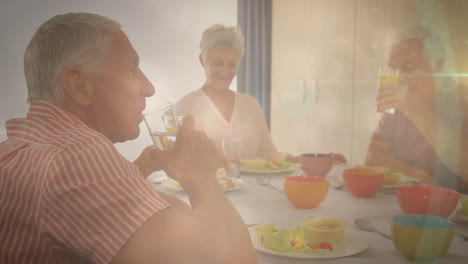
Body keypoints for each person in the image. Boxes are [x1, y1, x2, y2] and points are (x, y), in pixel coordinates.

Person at [0, 12, 257, 263]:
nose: (149, 88)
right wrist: (201, 176)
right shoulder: (77, 156)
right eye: (133, 69)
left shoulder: (24, 147)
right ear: (80, 85)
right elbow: (229, 258)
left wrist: (146, 164)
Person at [174, 24, 347, 164]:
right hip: (207, 198)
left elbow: (269, 153)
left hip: (252, 196)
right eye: (218, 63)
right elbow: (176, 161)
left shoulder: (250, 104)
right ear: (202, 61)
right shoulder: (184, 107)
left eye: (232, 64)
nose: (225, 71)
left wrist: (312, 160)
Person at [365, 25, 468, 193]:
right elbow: (372, 158)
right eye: (393, 68)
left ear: (439, 66)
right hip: (410, 205)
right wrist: (416, 175)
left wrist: (419, 112)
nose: (399, 79)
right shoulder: (399, 105)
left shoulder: (463, 100)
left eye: (409, 67)